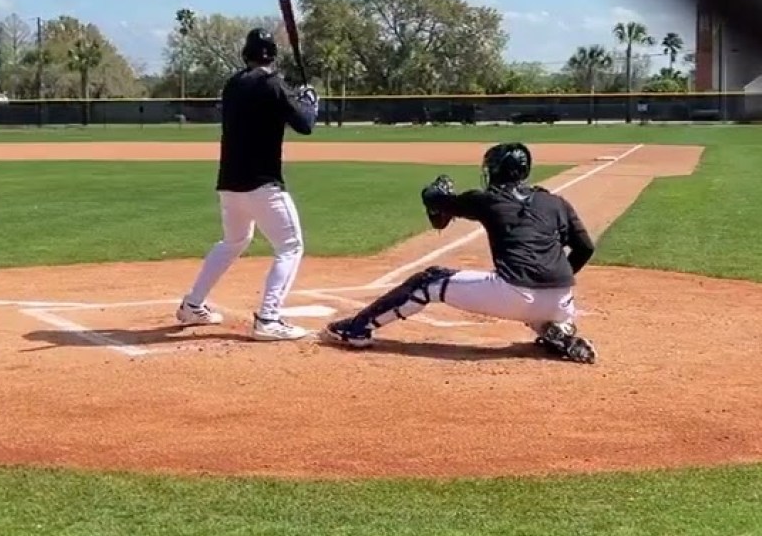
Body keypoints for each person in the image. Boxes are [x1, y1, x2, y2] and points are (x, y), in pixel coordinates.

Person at [321, 141, 598, 363]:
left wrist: (436, 189)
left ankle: (356, 330)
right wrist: (549, 278)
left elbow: (434, 200)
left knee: (428, 280)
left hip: (513, 294)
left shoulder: (487, 200)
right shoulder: (555, 202)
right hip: (562, 300)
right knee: (532, 299)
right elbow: (585, 247)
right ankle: (555, 329)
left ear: (497, 171)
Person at [176, 27, 319, 341]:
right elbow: (305, 125)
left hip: (230, 184)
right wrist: (309, 101)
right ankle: (268, 318)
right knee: (290, 247)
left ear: (246, 54)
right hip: (262, 185)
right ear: (272, 55)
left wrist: (296, 97)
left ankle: (192, 304)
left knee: (234, 241)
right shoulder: (274, 85)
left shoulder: (233, 85)